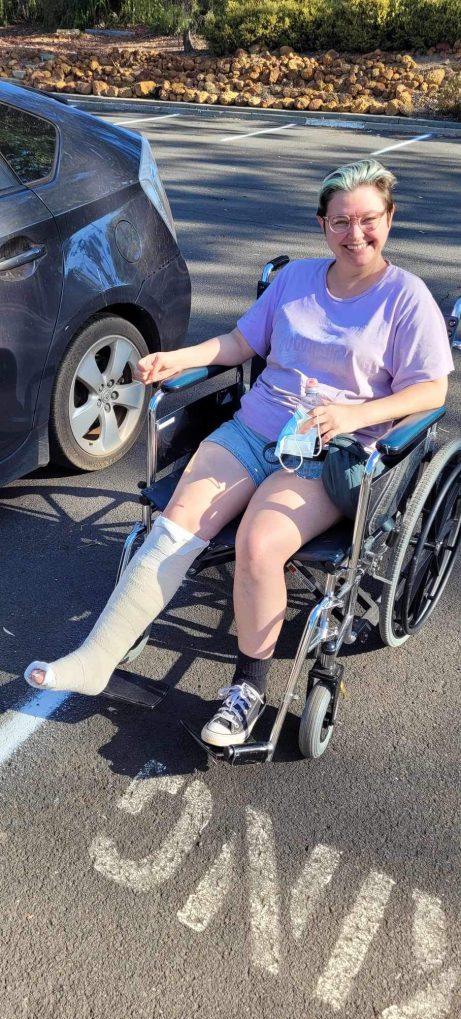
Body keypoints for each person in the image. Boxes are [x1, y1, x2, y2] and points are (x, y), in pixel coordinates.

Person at [24, 158, 454, 747]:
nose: (356, 235)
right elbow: (241, 342)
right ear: (322, 224)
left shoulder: (406, 299)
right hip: (254, 430)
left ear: (390, 218)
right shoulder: (297, 279)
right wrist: (182, 359)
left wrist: (356, 414)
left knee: (259, 544)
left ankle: (247, 691)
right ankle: (97, 657)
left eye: (369, 220)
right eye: (341, 222)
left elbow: (431, 389)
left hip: (325, 451)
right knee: (175, 526)